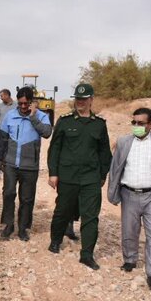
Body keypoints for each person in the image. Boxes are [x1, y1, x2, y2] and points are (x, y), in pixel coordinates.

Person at [107, 108, 151, 291]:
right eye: (134, 123)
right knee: (129, 231)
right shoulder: (123, 142)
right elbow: (115, 168)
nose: (136, 127)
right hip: (129, 194)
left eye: (141, 123)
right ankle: (130, 260)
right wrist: (112, 192)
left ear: (150, 124)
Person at [47, 83, 112, 270]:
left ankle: (87, 254)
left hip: (90, 178)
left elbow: (104, 152)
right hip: (68, 176)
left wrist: (102, 175)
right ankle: (55, 240)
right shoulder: (65, 121)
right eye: (77, 99)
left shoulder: (99, 124)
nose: (80, 102)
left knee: (91, 217)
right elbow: (55, 149)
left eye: (84, 99)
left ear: (91, 100)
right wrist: (53, 173)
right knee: (62, 211)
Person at [0, 87, 52, 241]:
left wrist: (33, 117)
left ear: (32, 102)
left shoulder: (41, 116)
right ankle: (9, 225)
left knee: (27, 198)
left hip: (30, 166)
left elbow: (47, 133)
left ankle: (22, 228)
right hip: (11, 164)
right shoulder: (10, 115)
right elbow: (2, 139)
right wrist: (0, 160)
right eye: (20, 103)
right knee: (8, 193)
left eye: (26, 103)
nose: (23, 106)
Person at [0, 88, 16, 180]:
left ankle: (10, 173)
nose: (1, 98)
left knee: (10, 153)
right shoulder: (0, 107)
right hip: (1, 132)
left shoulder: (16, 106)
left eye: (2, 96)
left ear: (7, 95)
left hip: (13, 133)